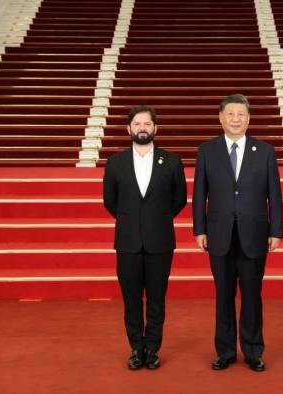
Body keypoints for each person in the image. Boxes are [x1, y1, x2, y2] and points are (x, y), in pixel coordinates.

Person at [192, 94, 283, 372]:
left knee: (252, 296)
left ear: (248, 119)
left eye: (240, 114)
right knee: (223, 296)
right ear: (220, 118)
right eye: (230, 114)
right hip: (219, 234)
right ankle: (225, 351)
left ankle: (254, 351)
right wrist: (199, 229)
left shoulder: (265, 151)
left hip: (255, 234)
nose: (235, 119)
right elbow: (199, 194)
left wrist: (276, 230)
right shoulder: (207, 151)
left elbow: (274, 196)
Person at [103, 105, 187, 370]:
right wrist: (133, 221)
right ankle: (135, 348)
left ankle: (152, 349)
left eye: (147, 124)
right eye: (137, 123)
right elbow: (110, 202)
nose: (142, 128)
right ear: (128, 129)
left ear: (155, 128)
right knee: (130, 299)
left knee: (156, 299)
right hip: (127, 242)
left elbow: (180, 200)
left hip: (160, 241)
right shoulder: (115, 163)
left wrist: (155, 219)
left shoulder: (171, 161)